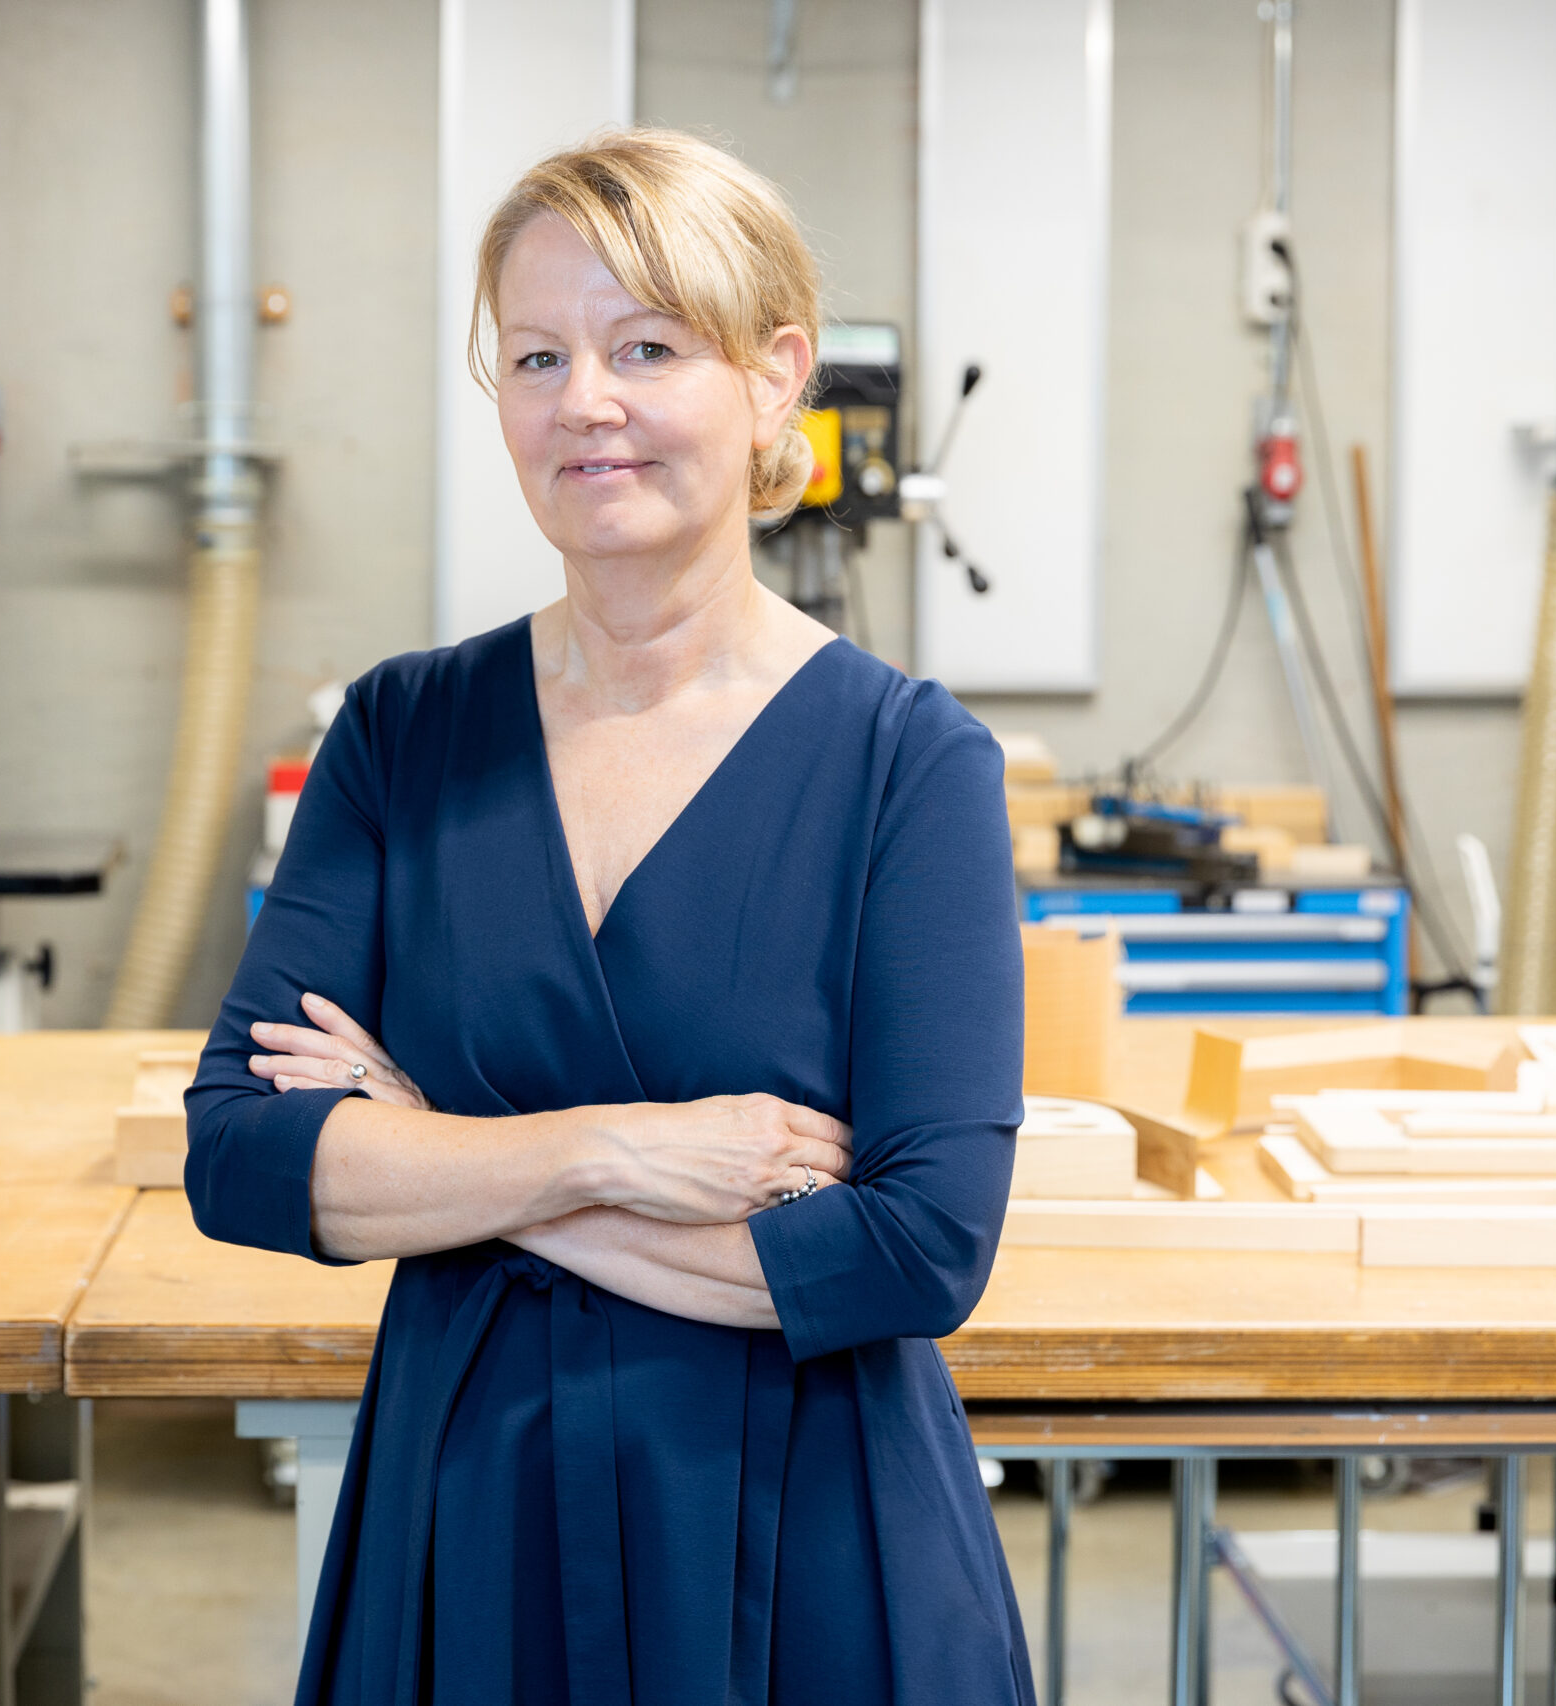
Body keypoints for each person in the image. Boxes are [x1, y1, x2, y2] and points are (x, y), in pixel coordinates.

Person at [184, 127, 1031, 1705]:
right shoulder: (403, 736)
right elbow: (237, 1150)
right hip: (468, 1529)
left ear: (777, 375)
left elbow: (919, 1246)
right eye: (536, 354)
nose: (586, 400)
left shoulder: (906, 761)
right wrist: (610, 1149)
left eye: (647, 346)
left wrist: (438, 1151)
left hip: (805, 1544)